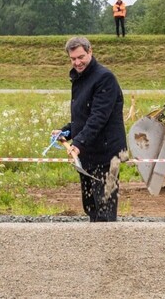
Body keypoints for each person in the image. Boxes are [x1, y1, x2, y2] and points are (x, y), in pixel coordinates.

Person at [53, 36, 127, 222]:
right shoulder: (80, 78)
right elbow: (83, 117)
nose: (77, 62)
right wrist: (66, 132)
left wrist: (78, 143)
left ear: (90, 52)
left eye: (81, 57)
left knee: (105, 211)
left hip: (108, 155)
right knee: (91, 207)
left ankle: (109, 248)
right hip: (87, 154)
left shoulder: (104, 78)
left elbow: (99, 117)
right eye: (73, 59)